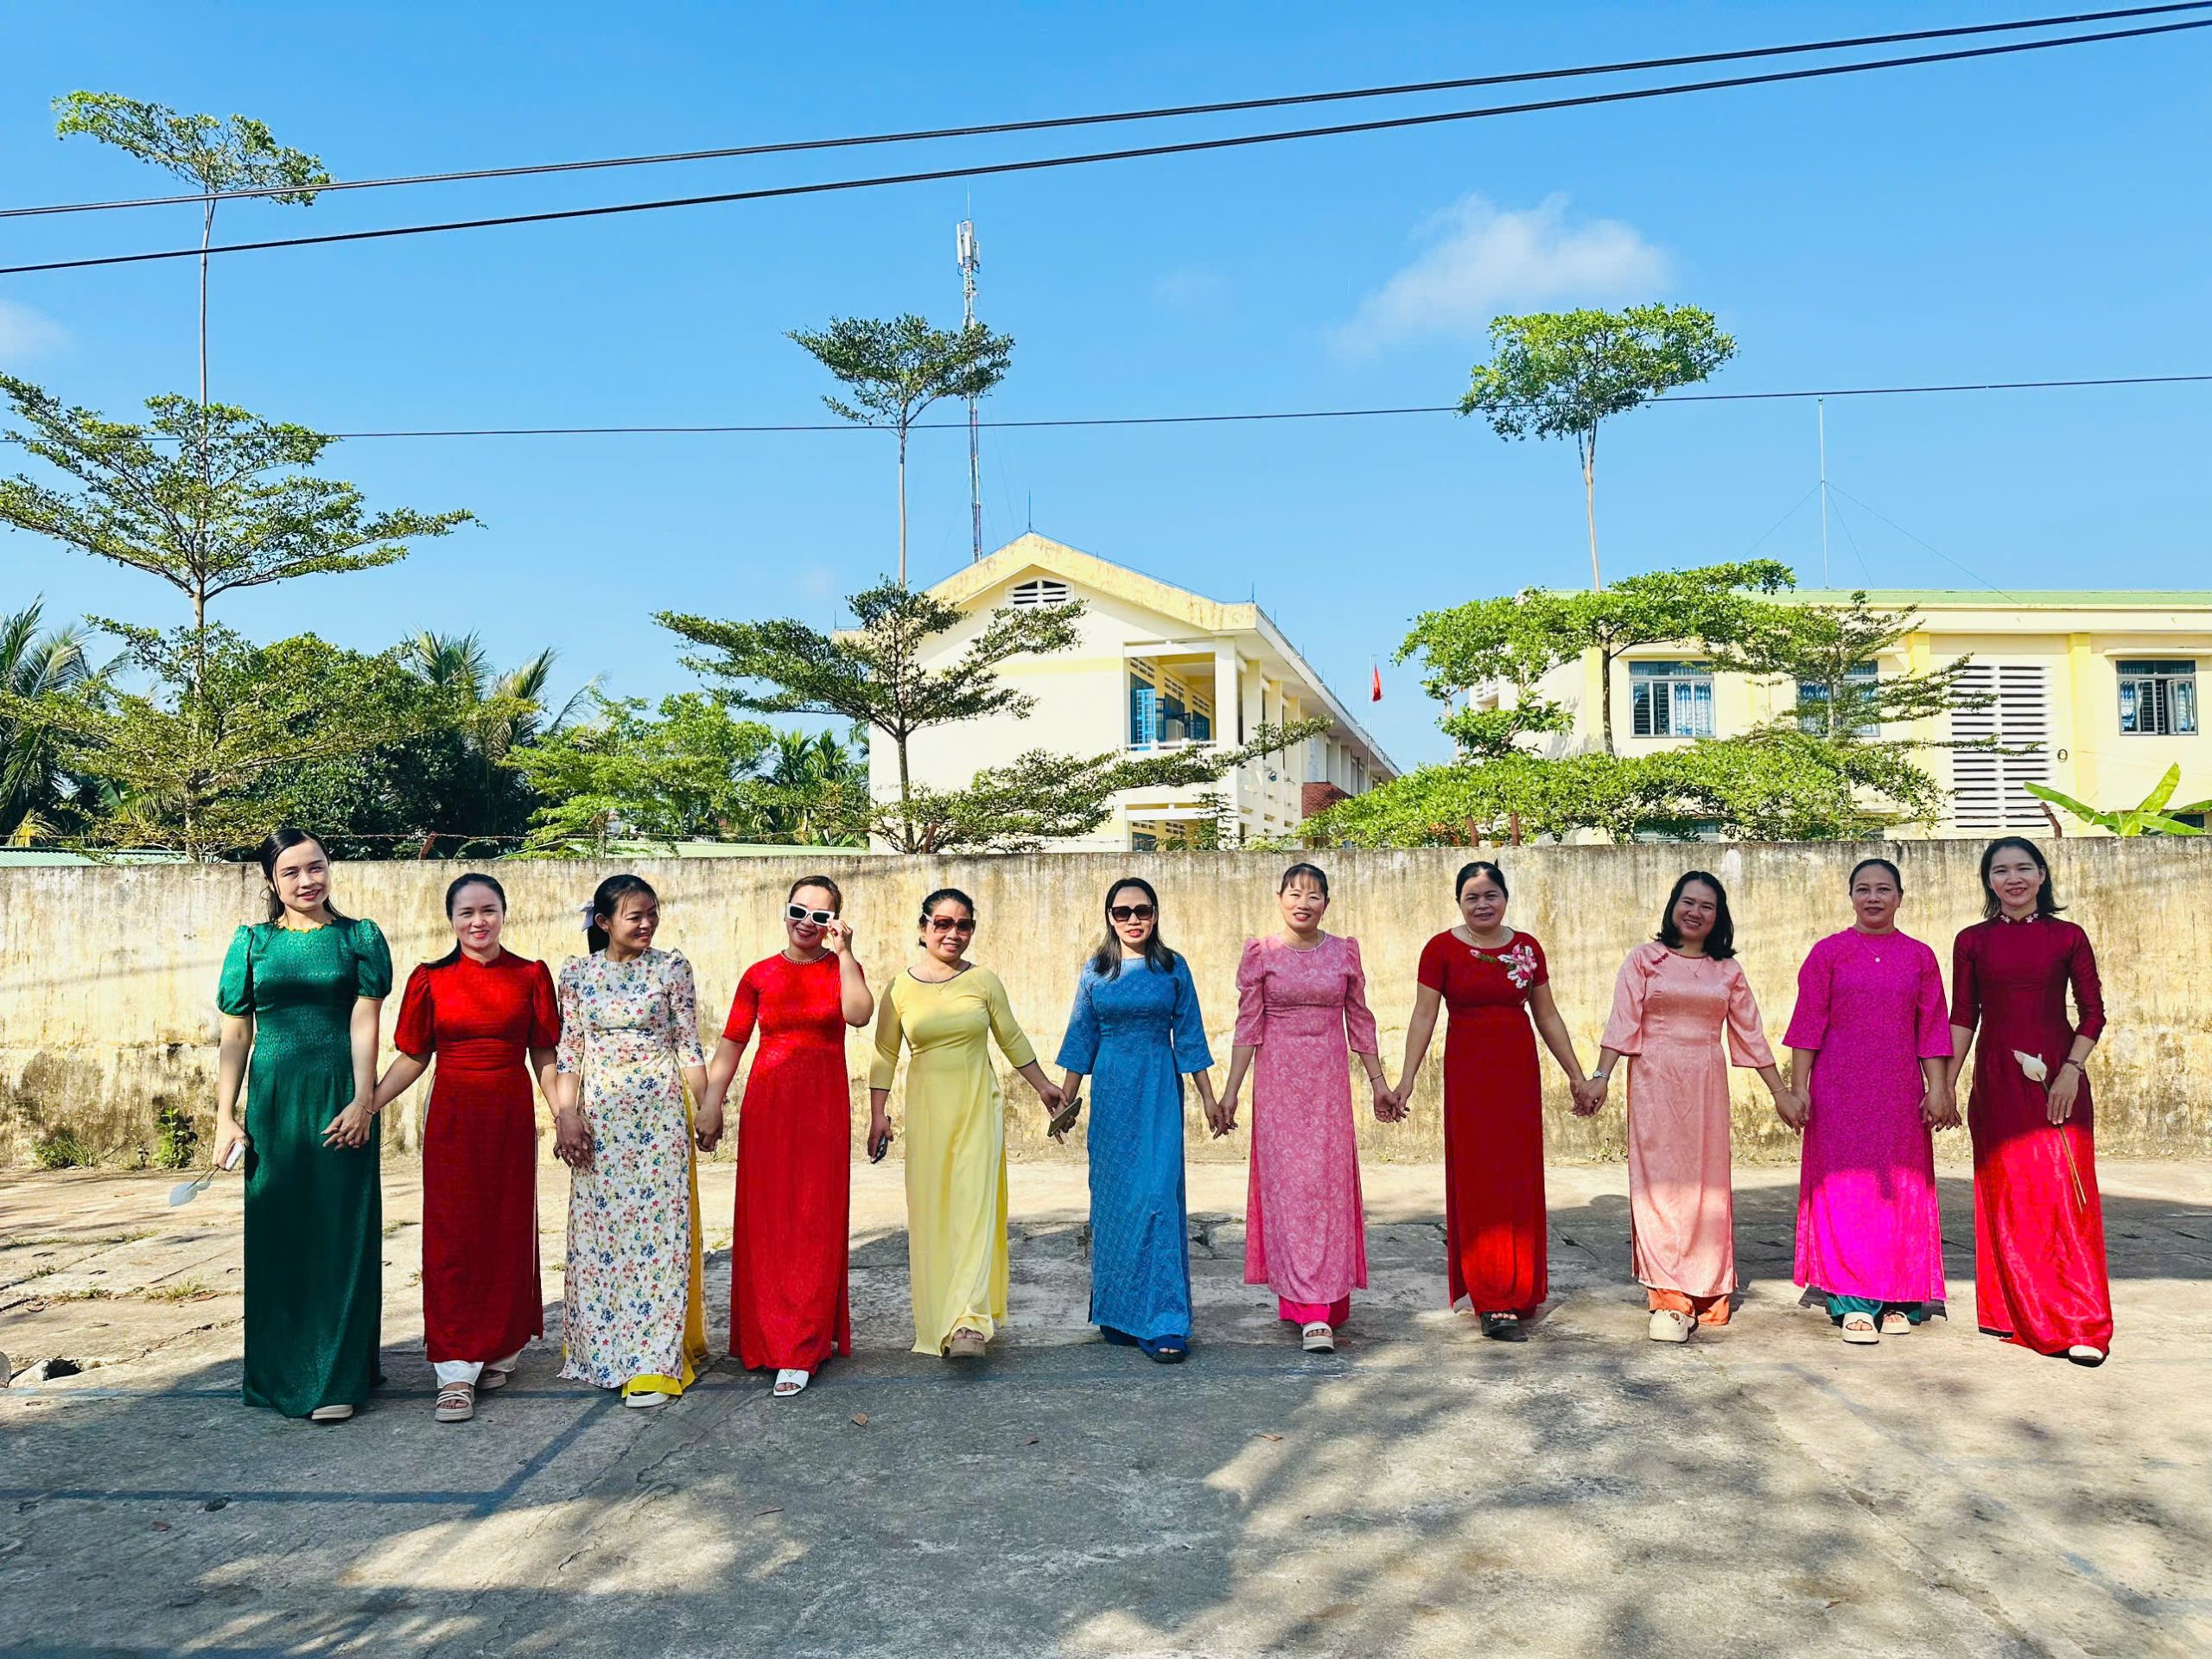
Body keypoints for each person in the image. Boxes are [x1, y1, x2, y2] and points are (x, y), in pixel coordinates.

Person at [212, 828, 393, 1421]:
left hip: (338, 1096)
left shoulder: (359, 939)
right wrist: (224, 1115)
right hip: (272, 1105)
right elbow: (236, 1033)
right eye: (291, 872)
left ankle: (337, 1376)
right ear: (272, 879)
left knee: (341, 1231)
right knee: (279, 1234)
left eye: (316, 866)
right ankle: (279, 1372)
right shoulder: (252, 943)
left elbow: (365, 1022)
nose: (307, 880)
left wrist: (364, 1101)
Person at [1581, 871, 1801, 1343]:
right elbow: (1623, 1021)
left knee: (1707, 1183)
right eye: (1688, 902)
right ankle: (1668, 1293)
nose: (1695, 912)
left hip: (1705, 1082)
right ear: (1672, 906)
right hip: (1653, 1080)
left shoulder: (1728, 970)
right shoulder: (1645, 959)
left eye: (1707, 905)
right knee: (1657, 1182)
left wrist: (1779, 1092)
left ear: (1718, 917)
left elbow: (1750, 1033)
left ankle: (1707, 1286)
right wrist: (1601, 1076)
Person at [373, 874, 560, 1422]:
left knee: (506, 1230)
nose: (479, 922)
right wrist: (369, 1104)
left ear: (503, 913)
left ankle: (498, 1347)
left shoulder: (530, 975)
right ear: (451, 920)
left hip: (510, 1117)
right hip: (454, 1117)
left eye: (488, 910)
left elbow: (544, 1053)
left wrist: (564, 1113)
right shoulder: (430, 979)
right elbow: (414, 1055)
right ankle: (454, 1367)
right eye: (467, 913)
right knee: (453, 1236)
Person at [1390, 861, 1590, 1342]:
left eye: (1490, 895)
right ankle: (1491, 1295)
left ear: (1505, 898)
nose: (1482, 904)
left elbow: (1548, 1015)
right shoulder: (1440, 949)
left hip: (1517, 1074)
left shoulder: (1528, 949)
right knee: (1478, 1178)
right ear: (1459, 902)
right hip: (1469, 1077)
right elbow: (1423, 1016)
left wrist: (1577, 1075)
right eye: (1472, 897)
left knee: (1518, 1176)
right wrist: (1406, 1079)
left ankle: (1521, 1288)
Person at [696, 876, 874, 1400]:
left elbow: (859, 1015)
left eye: (821, 916)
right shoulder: (759, 975)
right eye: (799, 910)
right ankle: (765, 1337)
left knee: (814, 1219)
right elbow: (732, 1044)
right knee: (767, 1220)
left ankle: (801, 1346)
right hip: (768, 1105)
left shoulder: (842, 968)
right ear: (785, 911)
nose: (806, 922)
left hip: (823, 1107)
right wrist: (711, 1104)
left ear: (835, 922)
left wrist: (846, 954)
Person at [868, 887, 1063, 1360]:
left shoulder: (984, 981)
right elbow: (885, 1053)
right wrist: (877, 1114)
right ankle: (941, 1316)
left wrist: (1043, 1086)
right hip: (927, 1114)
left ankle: (970, 1322)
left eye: (964, 925)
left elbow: (1011, 1037)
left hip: (978, 1107)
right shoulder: (899, 988)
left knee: (975, 1208)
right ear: (923, 929)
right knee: (934, 1212)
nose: (953, 933)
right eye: (942, 923)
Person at [1946, 836, 2113, 1365]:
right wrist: (1945, 1084)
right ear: (1989, 881)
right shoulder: (1972, 941)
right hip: (1997, 1082)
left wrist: (2071, 1071)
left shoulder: (2068, 936)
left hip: (2060, 1079)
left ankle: (2081, 1320)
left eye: (2023, 868)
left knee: (2066, 1195)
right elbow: (1963, 1017)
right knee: (2009, 1193)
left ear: (2042, 875)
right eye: (2000, 871)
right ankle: (2013, 1309)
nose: (2012, 878)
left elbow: (2092, 1013)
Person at [1781, 858, 1955, 1346]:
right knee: (1847, 1194)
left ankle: (1900, 1297)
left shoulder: (1920, 957)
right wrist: (1800, 1088)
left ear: (1900, 897)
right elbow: (1807, 1025)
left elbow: (1932, 1029)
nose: (1873, 898)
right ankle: (1854, 1301)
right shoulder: (1828, 953)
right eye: (1863, 889)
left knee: (1900, 1190)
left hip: (1899, 1095)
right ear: (1851, 897)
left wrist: (1938, 1087)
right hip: (1838, 1094)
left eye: (1883, 889)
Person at [1219, 862, 1390, 1355]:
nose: (1303, 902)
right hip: (1278, 1090)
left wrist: (1379, 1083)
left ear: (1326, 904)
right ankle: (1309, 1307)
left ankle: (1325, 1299)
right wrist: (1231, 1093)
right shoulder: (1261, 953)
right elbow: (1248, 1025)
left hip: (1329, 1089)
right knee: (1290, 1191)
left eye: (1314, 895)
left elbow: (1360, 1020)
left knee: (1326, 1189)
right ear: (1280, 899)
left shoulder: (1344, 951)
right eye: (1294, 893)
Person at [553, 874, 710, 1407]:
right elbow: (570, 1051)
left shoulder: (671, 969)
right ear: (603, 922)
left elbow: (688, 1044)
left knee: (659, 1236)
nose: (647, 924)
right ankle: (604, 1349)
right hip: (600, 1123)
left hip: (660, 1120)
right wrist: (566, 1115)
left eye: (652, 914)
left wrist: (707, 1107)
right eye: (635, 916)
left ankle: (654, 1361)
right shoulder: (577, 974)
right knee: (603, 1238)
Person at [1053, 877, 1219, 1363]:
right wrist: (1065, 1102)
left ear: (1155, 914)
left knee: (1158, 1200)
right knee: (1114, 1205)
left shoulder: (1172, 967)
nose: (1132, 919)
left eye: (1142, 910)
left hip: (1158, 1091)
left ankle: (1166, 1319)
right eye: (1122, 912)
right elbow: (1080, 1038)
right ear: (1110, 917)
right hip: (1111, 1095)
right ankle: (1120, 1313)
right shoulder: (1096, 970)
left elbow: (1190, 1036)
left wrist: (1210, 1099)